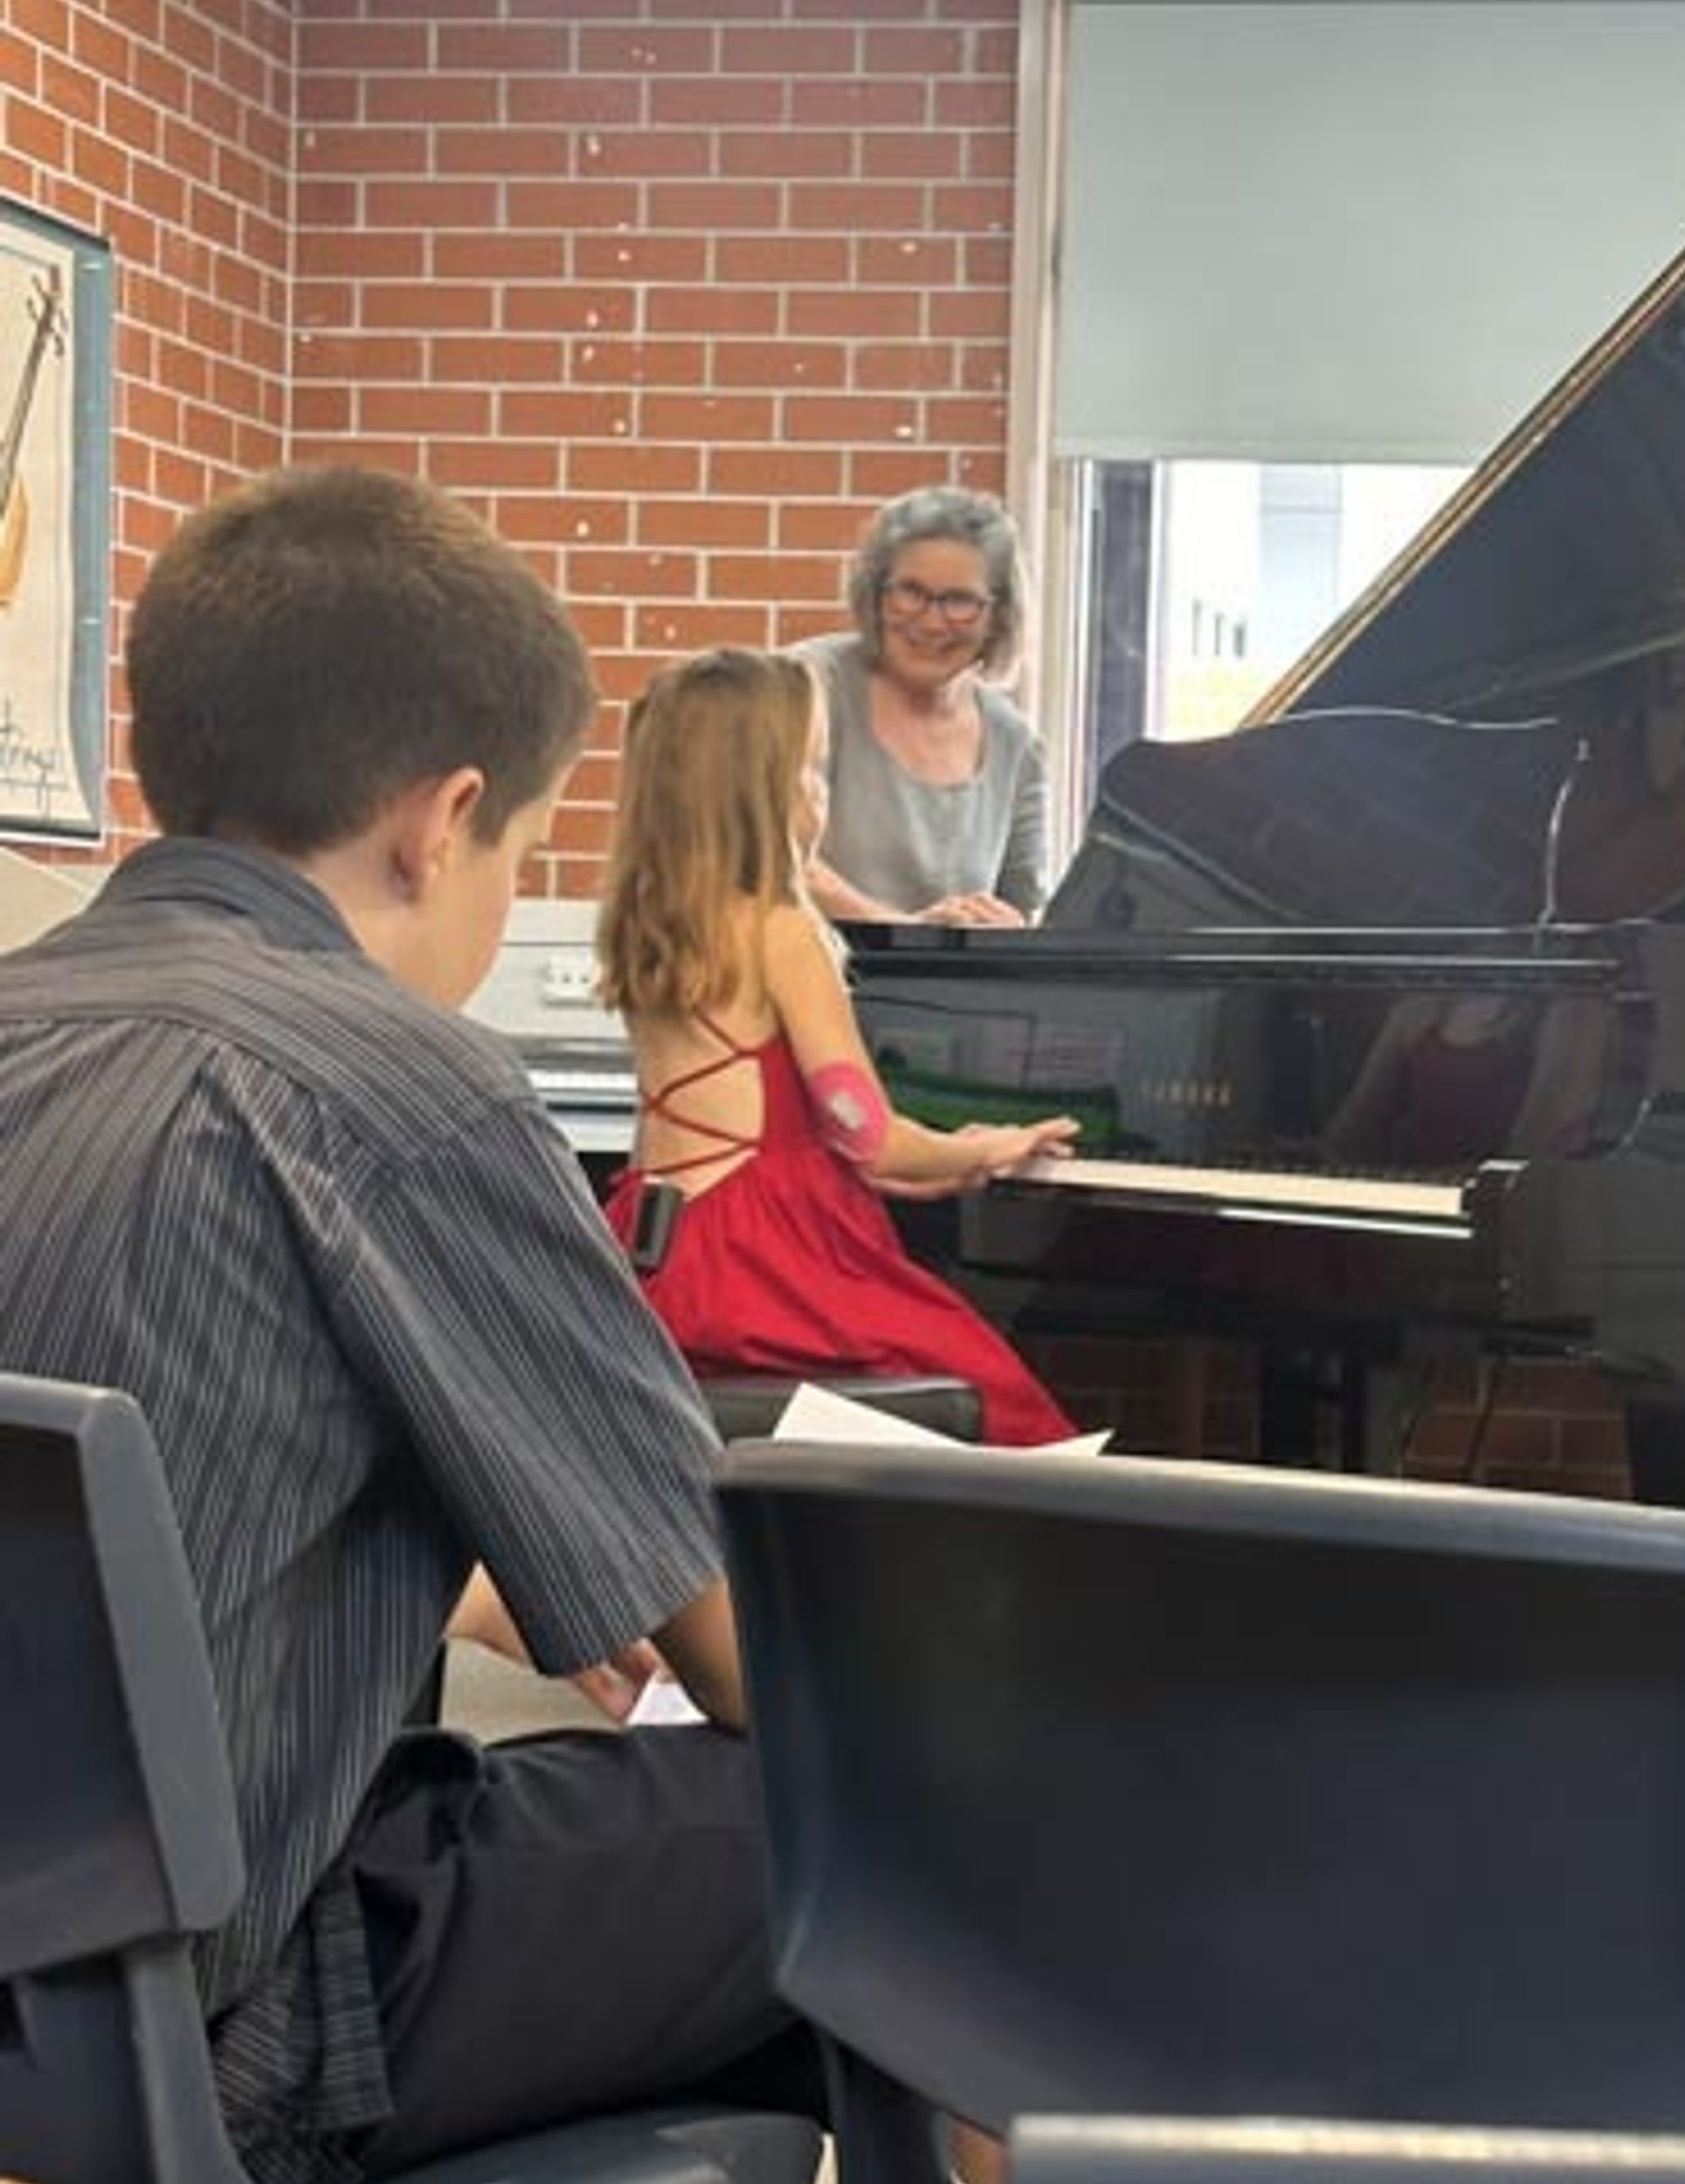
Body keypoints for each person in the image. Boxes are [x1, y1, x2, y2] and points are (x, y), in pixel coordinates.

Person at [0, 466, 819, 2182]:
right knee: (885, 1821)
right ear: (443, 821)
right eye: (519, 849)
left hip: (38, 1975)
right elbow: (750, 1663)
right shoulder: (402, 1089)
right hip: (214, 2022)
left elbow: (117, 1525)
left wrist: (451, 1580)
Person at [595, 645, 1081, 1448]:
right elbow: (869, 1135)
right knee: (1005, 1401)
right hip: (768, 1266)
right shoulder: (781, 932)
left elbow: (793, 1136)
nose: (824, 794)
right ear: (759, 790)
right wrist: (986, 1147)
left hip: (661, 1254)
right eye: (815, 770)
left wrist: (920, 1165)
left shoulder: (649, 930)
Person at [797, 484, 1049, 928]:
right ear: (875, 594)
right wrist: (907, 933)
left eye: (959, 601)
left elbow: (1022, 910)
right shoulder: (805, 686)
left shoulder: (1016, 743)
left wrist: (1004, 931)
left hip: (947, 975)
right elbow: (766, 858)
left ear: (998, 617)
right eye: (911, 592)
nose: (932, 622)